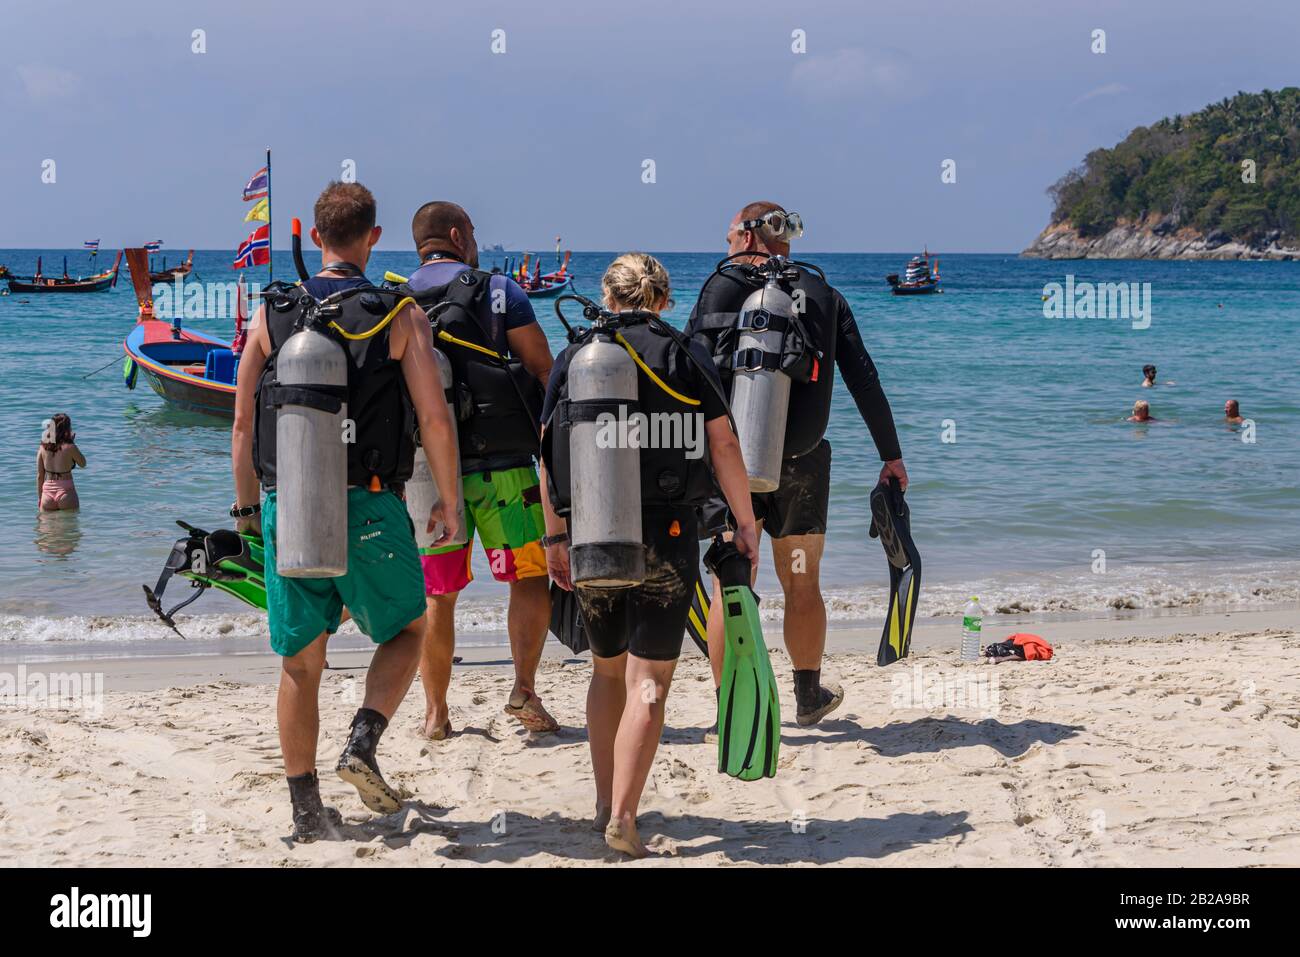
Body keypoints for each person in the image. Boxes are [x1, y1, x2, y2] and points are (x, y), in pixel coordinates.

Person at [231, 182, 461, 842]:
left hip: (289, 504)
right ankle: (363, 738)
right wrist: (446, 497)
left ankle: (306, 811)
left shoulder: (271, 314)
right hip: (371, 502)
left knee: (301, 663)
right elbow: (434, 417)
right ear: (371, 236)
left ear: (317, 237)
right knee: (409, 629)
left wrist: (249, 509)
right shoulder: (399, 314)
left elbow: (243, 421)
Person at [540, 253, 758, 858]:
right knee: (650, 681)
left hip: (592, 534)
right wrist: (744, 523)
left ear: (607, 298)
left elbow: (545, 453)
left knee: (607, 669)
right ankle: (626, 818)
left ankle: (606, 803)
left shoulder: (576, 357)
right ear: (662, 299)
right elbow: (724, 443)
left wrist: (555, 536)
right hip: (667, 534)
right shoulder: (686, 354)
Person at [686, 202, 907, 726]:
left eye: (727, 236)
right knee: (801, 579)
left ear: (745, 235)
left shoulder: (720, 287)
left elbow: (690, 373)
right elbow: (864, 378)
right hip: (802, 461)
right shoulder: (823, 293)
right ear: (786, 235)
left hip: (732, 458)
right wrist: (890, 455)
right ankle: (807, 695)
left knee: (728, 583)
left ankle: (731, 706)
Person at [403, 202, 558, 738]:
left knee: (437, 595)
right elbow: (543, 369)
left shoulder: (394, 300)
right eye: (472, 230)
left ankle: (435, 714)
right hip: (503, 468)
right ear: (456, 235)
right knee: (528, 575)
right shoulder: (500, 291)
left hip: (426, 474)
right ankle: (522, 691)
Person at [36, 413, 85, 511]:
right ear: (67, 428)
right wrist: (72, 442)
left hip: (47, 494)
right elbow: (83, 463)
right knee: (69, 525)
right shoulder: (70, 447)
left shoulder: (42, 447)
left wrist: (40, 498)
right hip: (66, 492)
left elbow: (40, 476)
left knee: (45, 525)